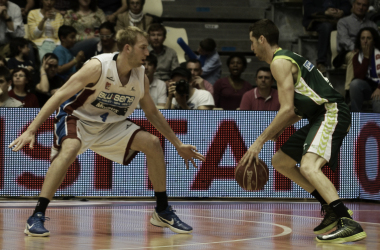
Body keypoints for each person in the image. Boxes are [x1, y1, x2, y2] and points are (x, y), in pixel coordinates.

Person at [9, 26, 205, 237]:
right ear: (128, 48)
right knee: (71, 148)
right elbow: (58, 96)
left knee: (152, 143)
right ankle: (36, 216)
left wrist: (178, 144)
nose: (148, 53)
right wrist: (32, 129)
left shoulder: (141, 77)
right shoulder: (98, 66)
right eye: (143, 48)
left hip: (110, 125)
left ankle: (162, 211)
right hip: (78, 117)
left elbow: (153, 114)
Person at [242, 19, 366, 243]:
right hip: (320, 113)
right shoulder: (289, 57)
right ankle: (329, 208)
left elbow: (287, 109)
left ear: (262, 39)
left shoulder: (278, 63)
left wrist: (258, 141)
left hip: (331, 112)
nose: (251, 48)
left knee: (309, 166)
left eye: (252, 42)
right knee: (281, 161)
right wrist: (277, 130)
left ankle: (348, 222)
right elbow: (297, 111)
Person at [335, 0, 378, 92]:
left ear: (367, 8)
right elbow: (344, 39)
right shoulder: (343, 22)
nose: (361, 7)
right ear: (353, 5)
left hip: (368, 51)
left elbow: (377, 41)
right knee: (355, 55)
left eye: (364, 5)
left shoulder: (372, 25)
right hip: (349, 51)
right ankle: (349, 90)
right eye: (358, 4)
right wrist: (358, 48)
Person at [302, 0, 351, 73]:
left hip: (337, 20)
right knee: (326, 27)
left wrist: (341, 11)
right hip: (318, 20)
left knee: (348, 25)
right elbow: (308, 9)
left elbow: (348, 5)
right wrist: (324, 12)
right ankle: (321, 62)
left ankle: (344, 60)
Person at [349, 27, 380, 112]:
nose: (365, 41)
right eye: (363, 38)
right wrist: (366, 58)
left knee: (377, 100)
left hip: (379, 87)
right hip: (368, 87)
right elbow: (359, 76)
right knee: (354, 84)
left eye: (368, 38)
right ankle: (356, 120)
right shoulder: (357, 57)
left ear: (374, 41)